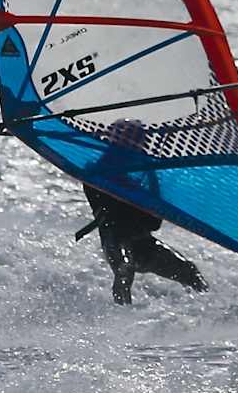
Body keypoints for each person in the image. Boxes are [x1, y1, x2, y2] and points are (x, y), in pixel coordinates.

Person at [84, 118, 207, 304]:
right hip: (116, 239)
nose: (132, 144)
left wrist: (148, 181)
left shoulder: (146, 174)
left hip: (144, 243)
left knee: (189, 271)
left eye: (137, 139)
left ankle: (214, 316)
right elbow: (100, 191)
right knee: (125, 268)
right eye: (125, 137)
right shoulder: (95, 172)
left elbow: (154, 222)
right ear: (113, 140)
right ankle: (120, 319)